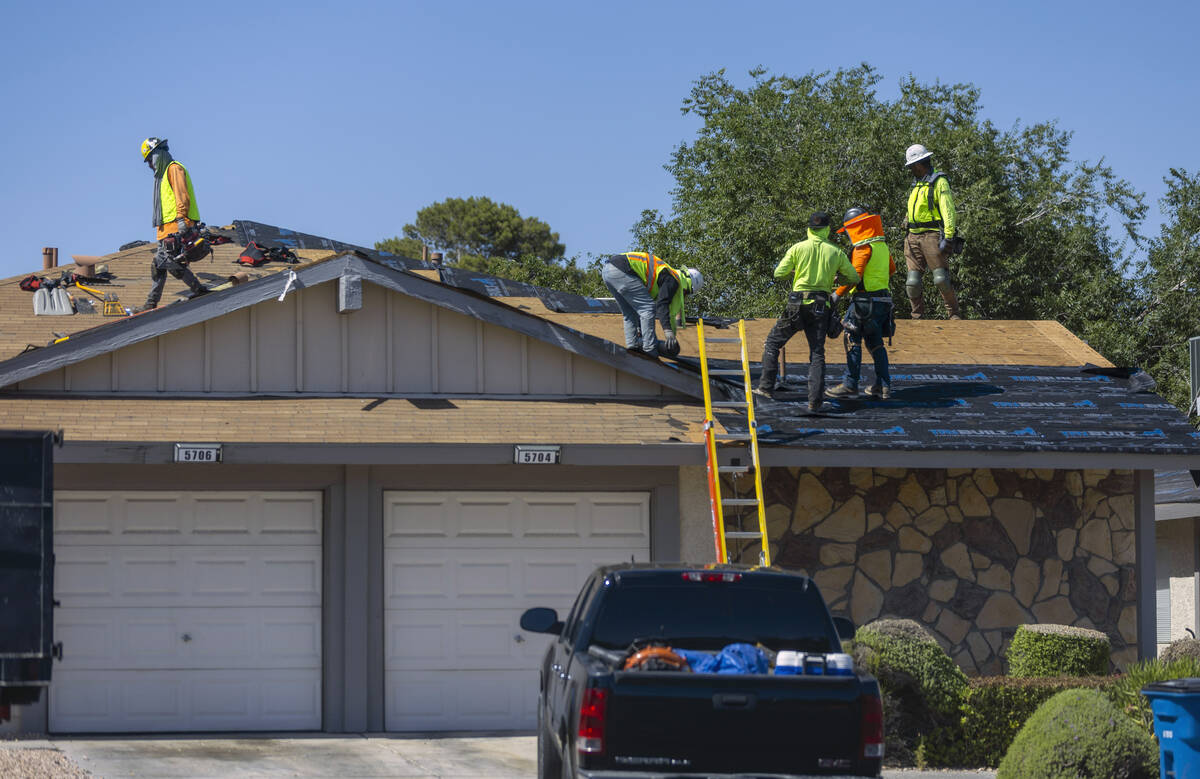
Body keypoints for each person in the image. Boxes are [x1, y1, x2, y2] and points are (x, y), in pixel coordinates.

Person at [756, 212, 860, 412]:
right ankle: (815, 402)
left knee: (772, 344)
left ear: (809, 229)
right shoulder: (835, 252)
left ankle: (765, 388)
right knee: (817, 353)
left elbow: (778, 273)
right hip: (821, 306)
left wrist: (795, 272)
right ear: (828, 229)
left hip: (797, 304)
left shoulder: (798, 248)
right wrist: (835, 279)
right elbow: (854, 278)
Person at [826, 208, 896, 400]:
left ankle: (850, 383)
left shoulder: (862, 248)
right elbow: (892, 269)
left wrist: (837, 294)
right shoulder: (882, 246)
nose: (847, 234)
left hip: (864, 303)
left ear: (854, 228)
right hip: (883, 301)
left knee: (851, 337)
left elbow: (854, 276)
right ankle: (883, 386)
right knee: (875, 342)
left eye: (848, 230)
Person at [137, 137, 209, 311]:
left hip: (175, 227)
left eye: (149, 160)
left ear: (157, 154)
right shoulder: (161, 177)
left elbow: (181, 194)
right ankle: (196, 289)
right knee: (165, 263)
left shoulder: (173, 169)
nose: (149, 165)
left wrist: (181, 219)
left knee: (164, 262)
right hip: (165, 230)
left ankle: (152, 302)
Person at [601, 252, 703, 358]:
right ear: (688, 286)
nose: (685, 295)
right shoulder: (672, 280)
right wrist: (668, 331)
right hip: (622, 270)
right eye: (687, 293)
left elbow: (640, 307)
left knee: (629, 312)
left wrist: (639, 330)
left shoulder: (667, 273)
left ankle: (633, 346)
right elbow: (662, 305)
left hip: (608, 271)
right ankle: (649, 349)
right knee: (648, 308)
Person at [902, 144, 961, 319]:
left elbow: (948, 209)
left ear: (919, 164)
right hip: (912, 237)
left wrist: (948, 236)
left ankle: (953, 314)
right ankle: (917, 316)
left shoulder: (938, 181)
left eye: (912, 165)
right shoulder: (916, 184)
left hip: (932, 235)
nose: (911, 169)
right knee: (912, 283)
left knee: (941, 279)